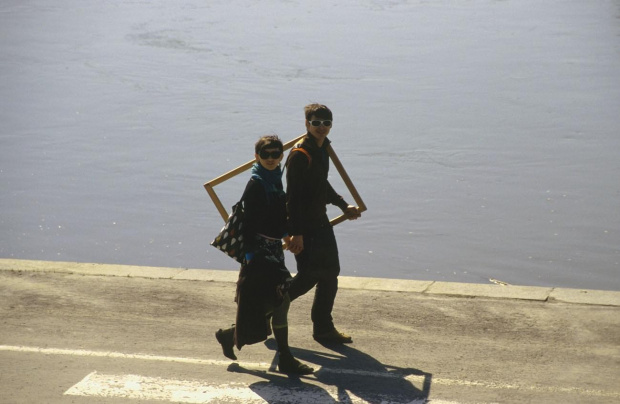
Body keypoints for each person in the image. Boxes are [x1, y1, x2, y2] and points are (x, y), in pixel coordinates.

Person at [215, 135, 314, 375]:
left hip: (272, 251)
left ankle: (229, 334)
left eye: (275, 154)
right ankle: (286, 358)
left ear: (281, 156)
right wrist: (251, 257)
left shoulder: (274, 180)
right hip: (259, 254)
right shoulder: (257, 184)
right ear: (257, 157)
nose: (271, 159)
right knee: (281, 300)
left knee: (270, 302)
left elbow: (277, 216)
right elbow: (249, 225)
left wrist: (286, 235)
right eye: (266, 154)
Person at [285, 103, 361, 344]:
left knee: (330, 273)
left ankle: (323, 329)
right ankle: (262, 311)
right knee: (309, 276)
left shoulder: (322, 148)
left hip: (320, 221)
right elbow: (293, 198)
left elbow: (321, 184)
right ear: (306, 124)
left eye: (326, 123)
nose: (322, 128)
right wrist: (295, 234)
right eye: (316, 123)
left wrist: (343, 206)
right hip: (303, 226)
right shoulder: (300, 155)